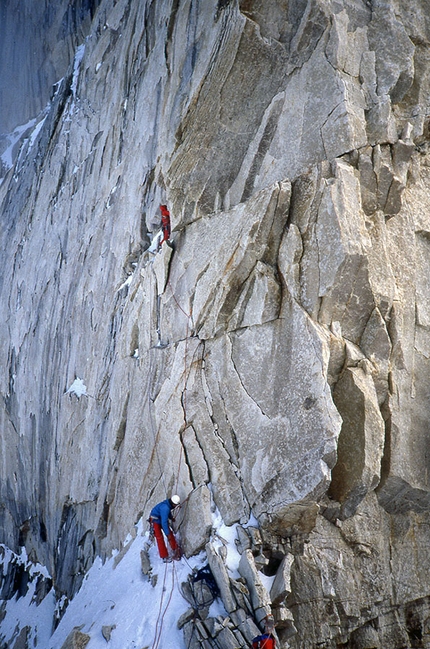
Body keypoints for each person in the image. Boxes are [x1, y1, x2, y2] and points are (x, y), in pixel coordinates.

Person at [149, 495, 181, 561]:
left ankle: (175, 549)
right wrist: (167, 534)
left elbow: (168, 512)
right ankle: (164, 556)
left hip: (159, 517)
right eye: (175, 505)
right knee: (160, 538)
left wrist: (171, 518)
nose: (176, 506)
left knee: (170, 534)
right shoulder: (165, 508)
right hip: (155, 521)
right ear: (173, 503)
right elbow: (164, 522)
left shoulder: (168, 505)